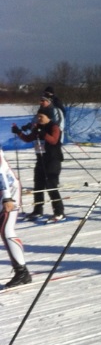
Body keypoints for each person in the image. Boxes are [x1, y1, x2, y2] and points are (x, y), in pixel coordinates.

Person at [13, 106, 66, 223]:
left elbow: (53, 140)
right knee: (38, 186)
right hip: (41, 160)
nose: (39, 119)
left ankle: (59, 212)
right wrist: (18, 132)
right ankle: (38, 210)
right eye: (38, 116)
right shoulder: (38, 127)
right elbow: (28, 138)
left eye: (41, 116)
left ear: (48, 117)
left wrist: (42, 133)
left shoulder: (54, 127)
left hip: (53, 161)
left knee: (51, 186)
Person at [1, 149, 29, 287]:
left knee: (6, 230)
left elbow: (0, 172)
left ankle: (22, 272)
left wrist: (7, 197)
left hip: (8, 191)